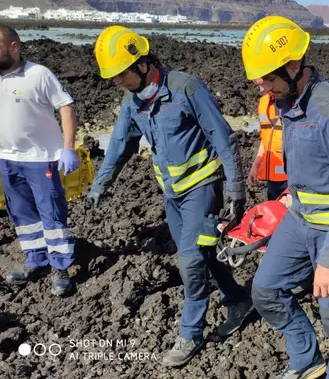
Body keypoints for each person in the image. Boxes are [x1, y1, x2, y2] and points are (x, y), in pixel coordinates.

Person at [86, 25, 253, 367]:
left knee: (190, 261)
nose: (118, 82)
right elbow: (119, 144)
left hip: (203, 189)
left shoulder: (184, 88)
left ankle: (190, 334)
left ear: (143, 63)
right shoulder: (133, 102)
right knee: (202, 255)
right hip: (172, 195)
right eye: (113, 77)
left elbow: (223, 137)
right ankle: (238, 299)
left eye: (121, 74)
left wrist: (237, 189)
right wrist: (100, 184)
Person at [242, 15, 329, 379]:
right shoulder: (287, 101)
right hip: (300, 220)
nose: (260, 84)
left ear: (294, 65)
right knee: (265, 290)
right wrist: (288, 198)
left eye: (267, 76)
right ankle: (308, 362)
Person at [0, 24, 78, 297]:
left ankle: (60, 267)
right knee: (22, 215)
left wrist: (68, 148)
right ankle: (37, 260)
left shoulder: (39, 74)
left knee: (51, 215)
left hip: (41, 159)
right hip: (7, 159)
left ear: (14, 47)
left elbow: (66, 107)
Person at [248, 90, 288, 200]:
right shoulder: (264, 101)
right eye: (256, 84)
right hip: (273, 180)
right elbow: (266, 138)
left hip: (291, 179)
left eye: (261, 81)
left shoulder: (292, 101)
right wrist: (256, 165)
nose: (260, 88)